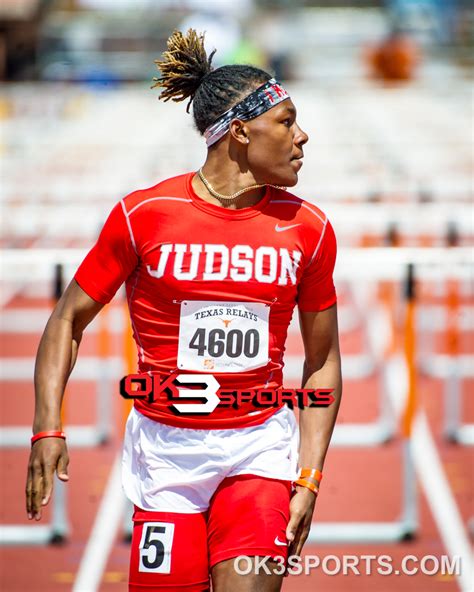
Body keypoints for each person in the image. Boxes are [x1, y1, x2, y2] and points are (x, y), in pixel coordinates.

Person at [26, 29, 342, 592]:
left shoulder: (309, 229)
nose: (303, 136)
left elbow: (322, 360)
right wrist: (47, 428)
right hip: (167, 455)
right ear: (241, 131)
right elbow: (66, 320)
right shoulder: (144, 215)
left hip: (260, 447)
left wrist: (310, 476)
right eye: (287, 121)